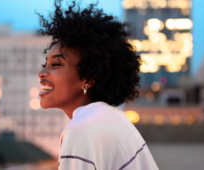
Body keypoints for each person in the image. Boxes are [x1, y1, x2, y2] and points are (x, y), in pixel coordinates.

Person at [37, 0, 159, 169]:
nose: (41, 73)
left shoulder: (80, 131)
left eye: (56, 64)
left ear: (87, 78)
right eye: (45, 65)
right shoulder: (113, 118)